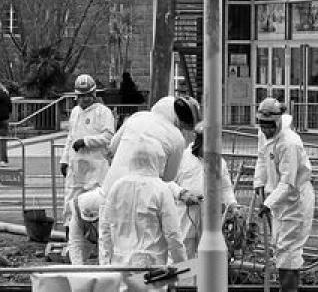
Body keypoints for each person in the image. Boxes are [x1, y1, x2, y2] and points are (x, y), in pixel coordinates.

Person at [98, 95, 201, 264]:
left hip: (112, 190)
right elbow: (169, 177)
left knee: (116, 241)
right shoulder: (176, 138)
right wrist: (182, 267)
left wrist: (104, 267)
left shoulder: (137, 117)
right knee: (147, 242)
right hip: (149, 197)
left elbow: (111, 149)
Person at [253, 97, 314, 292]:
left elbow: (288, 181)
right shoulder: (264, 134)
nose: (266, 130)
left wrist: (268, 203)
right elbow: (262, 157)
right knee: (279, 247)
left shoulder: (290, 143)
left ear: (278, 121)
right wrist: (258, 182)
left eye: (270, 125)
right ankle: (286, 288)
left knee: (289, 249)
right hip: (278, 199)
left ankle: (289, 289)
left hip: (295, 200)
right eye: (262, 125)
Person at [59, 74, 116, 265]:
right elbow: (70, 137)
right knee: (70, 207)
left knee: (97, 210)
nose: (85, 99)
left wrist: (87, 141)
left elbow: (109, 137)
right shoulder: (75, 112)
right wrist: (64, 159)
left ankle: (102, 250)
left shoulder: (103, 112)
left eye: (88, 95)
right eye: (81, 96)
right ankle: (72, 246)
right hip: (76, 170)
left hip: (95, 169)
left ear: (94, 94)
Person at [99, 147, 186, 267]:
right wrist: (181, 264)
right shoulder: (160, 189)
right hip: (152, 268)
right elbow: (172, 234)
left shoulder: (117, 187)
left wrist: (104, 263)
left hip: (119, 265)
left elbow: (105, 228)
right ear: (158, 160)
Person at [174, 125, 239, 259]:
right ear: (199, 143)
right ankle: (186, 280)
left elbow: (226, 187)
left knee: (209, 254)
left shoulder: (219, 162)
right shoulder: (180, 158)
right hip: (186, 213)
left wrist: (232, 205)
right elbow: (168, 183)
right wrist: (182, 193)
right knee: (185, 252)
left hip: (209, 215)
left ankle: (205, 279)